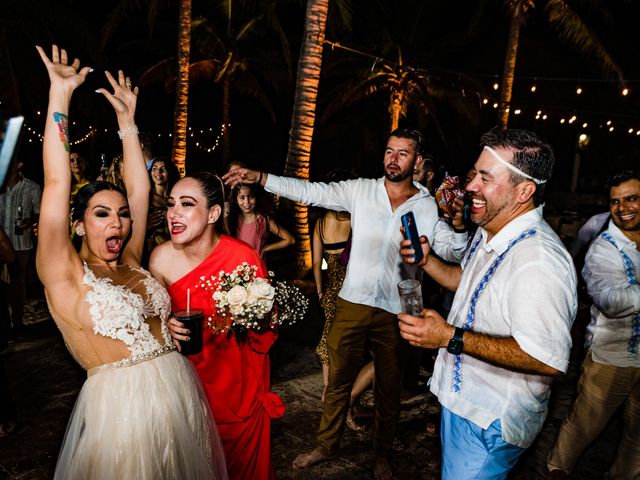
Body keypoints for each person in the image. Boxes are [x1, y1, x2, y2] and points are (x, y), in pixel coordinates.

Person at [224, 128, 462, 480]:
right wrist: (261, 178)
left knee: (389, 386)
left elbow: (453, 252)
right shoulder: (361, 191)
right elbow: (310, 192)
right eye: (389, 151)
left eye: (402, 153)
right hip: (352, 301)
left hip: (399, 308)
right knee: (337, 380)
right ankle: (326, 444)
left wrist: (457, 228)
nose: (392, 159)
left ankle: (382, 453)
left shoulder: (426, 206)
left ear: (418, 161)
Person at [35, 44, 226, 479]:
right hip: (123, 413)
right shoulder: (63, 272)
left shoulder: (132, 261)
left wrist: (127, 121)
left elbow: (140, 192)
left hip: (179, 395)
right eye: (101, 214)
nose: (118, 223)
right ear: (79, 225)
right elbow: (56, 179)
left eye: (121, 215)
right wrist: (60, 95)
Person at [398, 127, 577, 478]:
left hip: (490, 421)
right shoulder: (491, 227)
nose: (470, 186)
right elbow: (469, 282)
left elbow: (547, 358)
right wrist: (427, 261)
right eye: (475, 174)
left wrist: (449, 337)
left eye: (485, 178)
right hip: (464, 402)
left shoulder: (539, 261)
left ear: (524, 190)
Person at [149, 171, 285, 480]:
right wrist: (163, 327)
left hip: (238, 394)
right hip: (186, 393)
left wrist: (258, 315)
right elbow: (149, 325)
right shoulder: (159, 259)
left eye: (186, 203)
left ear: (213, 213)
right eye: (171, 204)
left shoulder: (243, 257)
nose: (174, 213)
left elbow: (267, 330)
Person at [546, 170, 640, 479]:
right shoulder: (604, 248)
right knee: (584, 425)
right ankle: (556, 469)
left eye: (632, 199)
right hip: (612, 357)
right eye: (615, 201)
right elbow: (613, 303)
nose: (623, 207)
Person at [312, 169, 374, 432]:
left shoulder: (319, 223)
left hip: (330, 284)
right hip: (352, 282)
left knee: (330, 336)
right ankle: (342, 396)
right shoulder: (354, 219)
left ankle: (329, 390)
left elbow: (317, 263)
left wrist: (319, 290)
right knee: (353, 343)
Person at [0, 156, 41, 336]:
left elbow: (40, 215)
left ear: (19, 164)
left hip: (21, 243)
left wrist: (30, 221)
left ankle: (17, 321)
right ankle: (4, 322)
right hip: (0, 244)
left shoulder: (32, 187)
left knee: (18, 282)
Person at [226, 183, 295, 256]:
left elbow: (290, 240)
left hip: (256, 265)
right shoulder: (232, 219)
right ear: (236, 200)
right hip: (237, 264)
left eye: (251, 197)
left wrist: (266, 248)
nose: (247, 202)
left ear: (256, 197)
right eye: (242, 198)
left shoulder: (264, 220)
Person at [146, 156, 179, 255]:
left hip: (175, 250)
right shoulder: (146, 198)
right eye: (154, 168)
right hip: (151, 251)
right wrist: (147, 225)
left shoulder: (177, 197)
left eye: (163, 169)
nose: (158, 173)